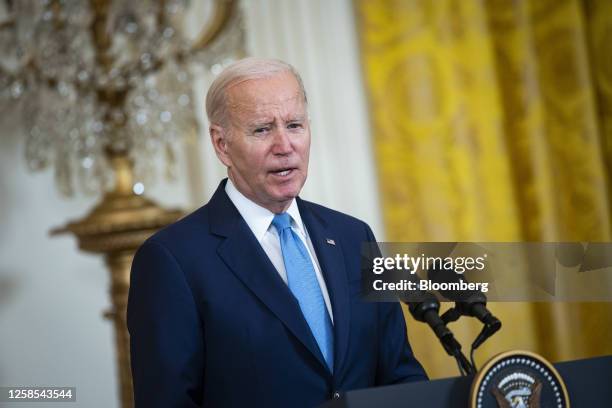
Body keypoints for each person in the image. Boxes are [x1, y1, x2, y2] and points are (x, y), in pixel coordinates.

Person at [127, 57, 427, 408]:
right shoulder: (172, 260)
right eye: (262, 129)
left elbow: (399, 374)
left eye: (295, 125)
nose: (285, 146)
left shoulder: (352, 236)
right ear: (222, 144)